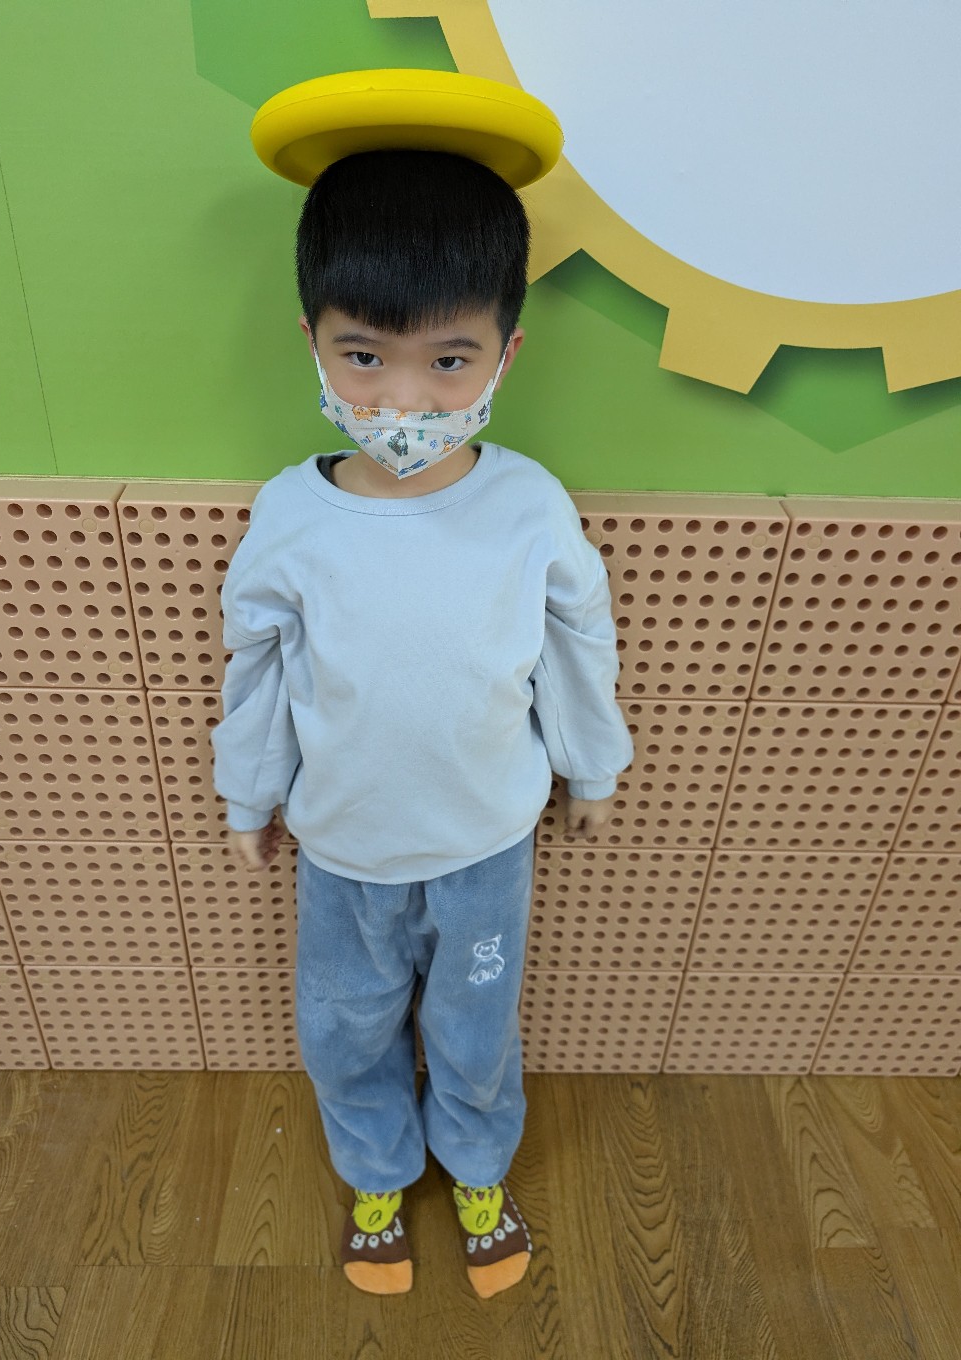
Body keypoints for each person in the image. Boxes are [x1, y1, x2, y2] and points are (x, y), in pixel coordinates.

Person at [210, 146, 634, 1299]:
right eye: (364, 356)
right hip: (342, 849)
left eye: (448, 361)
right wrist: (249, 794)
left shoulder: (528, 506)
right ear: (314, 342)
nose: (403, 401)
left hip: (485, 846)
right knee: (344, 1027)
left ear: (505, 352)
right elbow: (260, 668)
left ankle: (479, 1170)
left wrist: (591, 769)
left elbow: (575, 644)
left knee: (474, 1027)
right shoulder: (291, 516)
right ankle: (376, 1175)